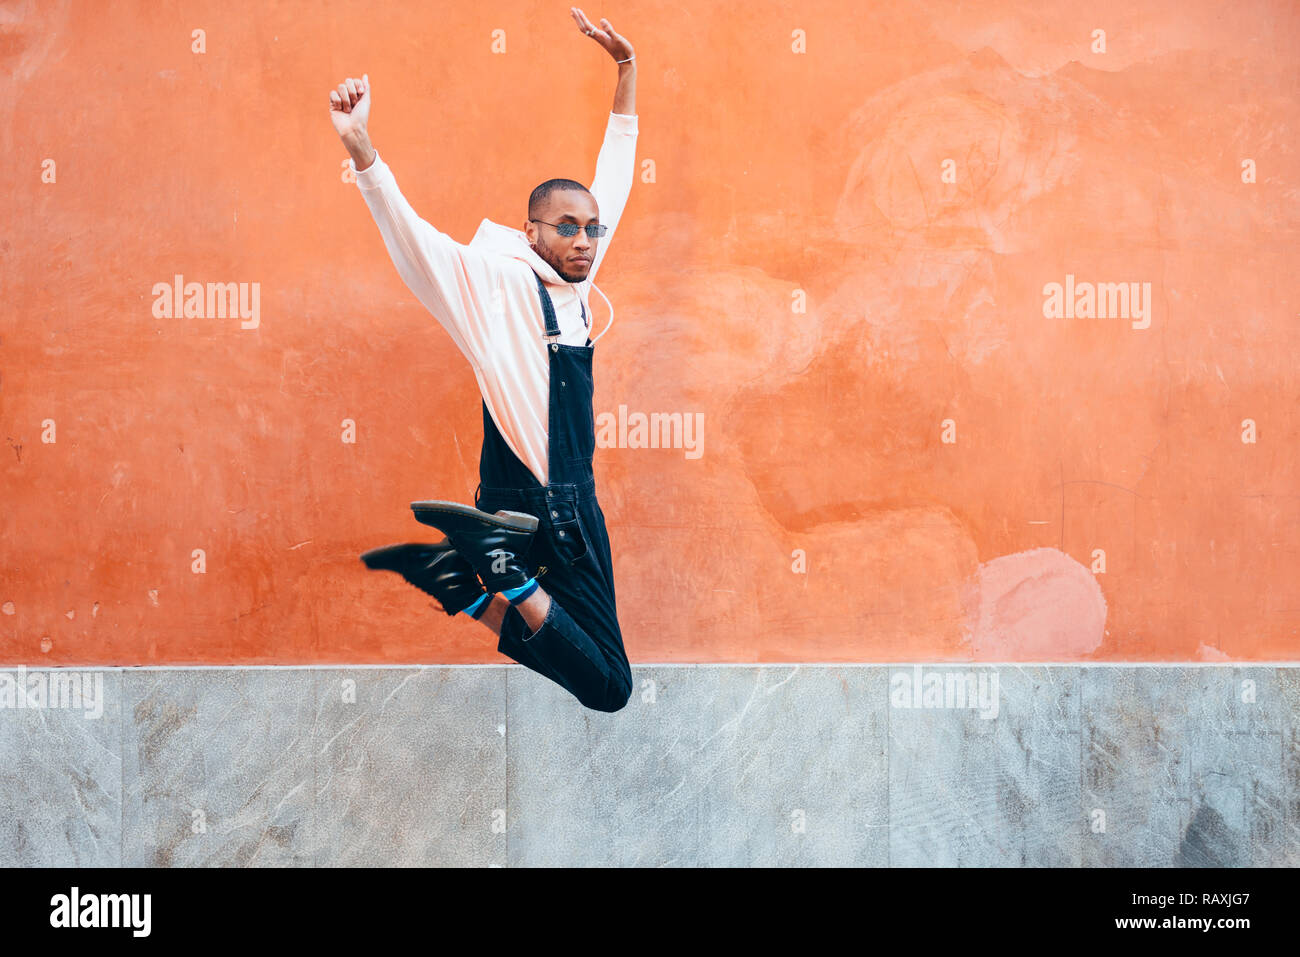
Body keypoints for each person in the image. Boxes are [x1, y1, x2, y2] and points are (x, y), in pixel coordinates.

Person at [336, 8, 638, 713]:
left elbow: (615, 173)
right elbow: (416, 244)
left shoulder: (577, 285)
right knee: (611, 687)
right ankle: (504, 573)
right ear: (528, 229)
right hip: (553, 508)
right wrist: (361, 149)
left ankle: (468, 587)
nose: (586, 238)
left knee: (584, 656)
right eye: (567, 225)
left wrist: (626, 71)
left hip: (509, 504)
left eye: (592, 228)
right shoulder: (494, 281)